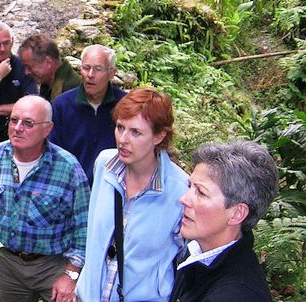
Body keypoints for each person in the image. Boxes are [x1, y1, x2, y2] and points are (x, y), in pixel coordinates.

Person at [0, 95, 90, 302]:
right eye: (13, 120)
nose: (18, 128)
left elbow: (84, 226)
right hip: (6, 262)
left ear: (47, 129)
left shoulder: (67, 168)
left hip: (52, 264)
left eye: (28, 123)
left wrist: (71, 275)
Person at [76, 88, 188, 302]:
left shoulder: (180, 190)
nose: (123, 140)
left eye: (136, 132)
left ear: (159, 136)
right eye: (120, 127)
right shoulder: (105, 165)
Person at [170, 141, 278, 301]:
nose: (184, 199)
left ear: (237, 213)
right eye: (189, 186)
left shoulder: (236, 294)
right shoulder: (197, 256)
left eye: (200, 192)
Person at [48, 44, 126, 185]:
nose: (90, 75)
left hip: (113, 186)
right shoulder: (62, 105)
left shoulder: (124, 105)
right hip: (71, 188)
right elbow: (52, 152)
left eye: (98, 69)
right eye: (86, 68)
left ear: (111, 73)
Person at [0, 21, 38, 141]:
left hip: (19, 130)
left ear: (12, 41)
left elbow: (31, 105)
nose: (2, 49)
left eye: (6, 43)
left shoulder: (23, 66)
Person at [18, 34, 81, 102]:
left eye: (29, 67)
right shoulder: (48, 81)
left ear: (48, 62)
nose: (26, 72)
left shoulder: (72, 89)